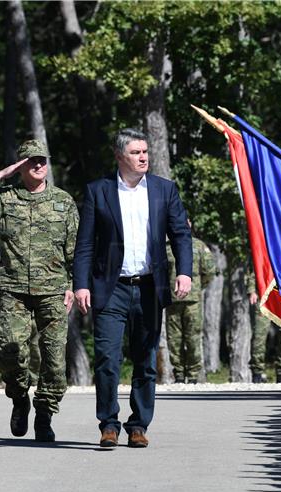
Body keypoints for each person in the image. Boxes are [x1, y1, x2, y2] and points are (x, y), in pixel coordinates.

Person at [73, 128, 192, 449]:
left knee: (145, 360)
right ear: (119, 156)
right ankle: (108, 424)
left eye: (145, 152)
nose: (143, 158)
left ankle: (138, 425)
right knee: (108, 360)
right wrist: (81, 285)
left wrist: (185, 272)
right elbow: (84, 244)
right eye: (136, 153)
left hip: (150, 288)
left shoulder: (164, 191)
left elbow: (181, 234)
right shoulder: (99, 191)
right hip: (111, 289)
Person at [0, 139, 78, 442]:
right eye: (31, 161)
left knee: (53, 360)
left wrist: (73, 286)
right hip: (14, 291)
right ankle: (19, 398)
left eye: (42, 160)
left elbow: (75, 250)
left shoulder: (63, 202)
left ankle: (44, 414)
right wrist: (3, 174)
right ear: (21, 166)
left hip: (53, 290)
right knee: (10, 351)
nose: (38, 165)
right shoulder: (5, 199)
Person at [165, 221, 216, 384]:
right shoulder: (166, 247)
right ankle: (178, 374)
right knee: (174, 339)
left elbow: (209, 271)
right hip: (173, 299)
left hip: (193, 300)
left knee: (193, 337)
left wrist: (197, 287)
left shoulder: (199, 246)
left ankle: (193, 374)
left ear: (190, 225)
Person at [0, 252, 41, 385]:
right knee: (8, 346)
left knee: (36, 346)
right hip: (6, 307)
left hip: (33, 304)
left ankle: (35, 379)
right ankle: (14, 380)